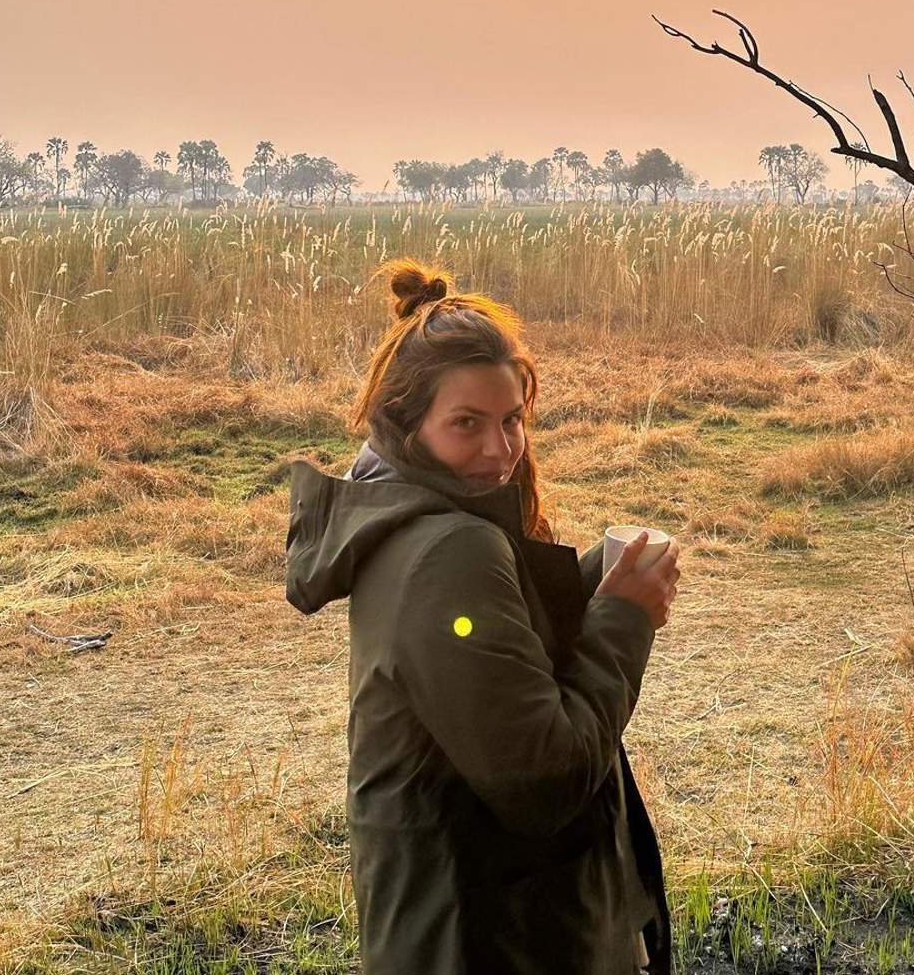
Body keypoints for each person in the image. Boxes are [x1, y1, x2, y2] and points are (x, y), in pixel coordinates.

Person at [285, 257, 681, 975]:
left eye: (512, 421)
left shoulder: (402, 520)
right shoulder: (449, 551)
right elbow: (544, 780)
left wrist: (594, 579)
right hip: (494, 939)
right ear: (405, 424)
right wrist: (623, 619)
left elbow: (486, 665)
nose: (499, 451)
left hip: (447, 926)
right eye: (466, 424)